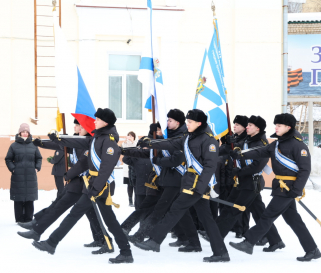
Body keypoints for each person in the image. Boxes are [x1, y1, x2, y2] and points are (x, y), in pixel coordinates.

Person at [32, 108, 134, 264]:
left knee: (75, 214)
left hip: (99, 187)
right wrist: (58, 139)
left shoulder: (109, 141)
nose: (94, 121)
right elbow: (76, 141)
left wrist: (95, 188)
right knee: (110, 221)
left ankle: (52, 243)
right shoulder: (97, 138)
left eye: (97, 119)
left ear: (105, 122)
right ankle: (126, 252)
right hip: (95, 186)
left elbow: (106, 168)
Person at [134, 109, 230, 263]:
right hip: (189, 182)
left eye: (190, 122)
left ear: (199, 123)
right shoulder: (188, 138)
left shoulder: (209, 140)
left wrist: (199, 187)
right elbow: (170, 143)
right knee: (207, 219)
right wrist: (150, 143)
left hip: (197, 185)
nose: (187, 124)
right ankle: (221, 252)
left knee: (175, 210)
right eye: (187, 121)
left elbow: (210, 167)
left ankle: (154, 240)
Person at [229, 113, 320, 262]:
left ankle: (248, 242)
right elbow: (259, 152)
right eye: (275, 125)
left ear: (288, 127)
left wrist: (296, 190)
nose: (275, 128)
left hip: (288, 188)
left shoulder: (298, 145)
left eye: (279, 125)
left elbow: (305, 170)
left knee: (268, 215)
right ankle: (312, 249)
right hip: (281, 187)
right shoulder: (276, 144)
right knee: (293, 220)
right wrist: (240, 155)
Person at [213, 116, 284, 250]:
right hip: (242, 182)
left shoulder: (262, 144)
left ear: (257, 128)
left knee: (233, 209)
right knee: (258, 212)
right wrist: (229, 143)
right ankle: (275, 240)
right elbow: (234, 150)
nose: (247, 127)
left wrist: (238, 172)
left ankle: (216, 236)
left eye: (250, 125)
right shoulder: (247, 140)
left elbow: (257, 166)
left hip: (251, 183)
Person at [5, 123, 42, 223]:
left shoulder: (34, 145)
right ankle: (19, 219)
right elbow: (8, 159)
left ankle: (29, 219)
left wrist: (37, 168)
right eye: (23, 132)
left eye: (27, 132)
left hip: (31, 175)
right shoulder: (13, 145)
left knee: (30, 199)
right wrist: (13, 168)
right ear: (19, 133)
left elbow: (39, 158)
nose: (25, 134)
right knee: (18, 199)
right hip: (18, 176)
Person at [122, 132, 137, 207]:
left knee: (135, 184)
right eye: (129, 136)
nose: (130, 137)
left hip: (134, 166)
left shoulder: (136, 143)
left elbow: (135, 149)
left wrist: (132, 142)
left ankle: (136, 201)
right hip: (127, 167)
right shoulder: (124, 143)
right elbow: (124, 151)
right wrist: (126, 142)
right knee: (129, 185)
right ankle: (130, 201)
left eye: (132, 136)